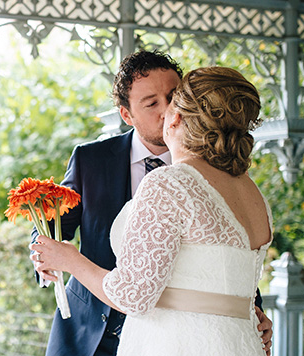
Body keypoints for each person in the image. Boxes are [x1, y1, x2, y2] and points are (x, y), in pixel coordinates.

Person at [29, 50, 272, 356]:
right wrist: (45, 252)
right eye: (151, 103)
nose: (165, 110)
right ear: (126, 115)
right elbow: (53, 229)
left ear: (183, 111)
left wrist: (250, 309)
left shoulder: (176, 180)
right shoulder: (247, 186)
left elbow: (221, 263)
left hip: (167, 340)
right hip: (92, 335)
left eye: (173, 97)